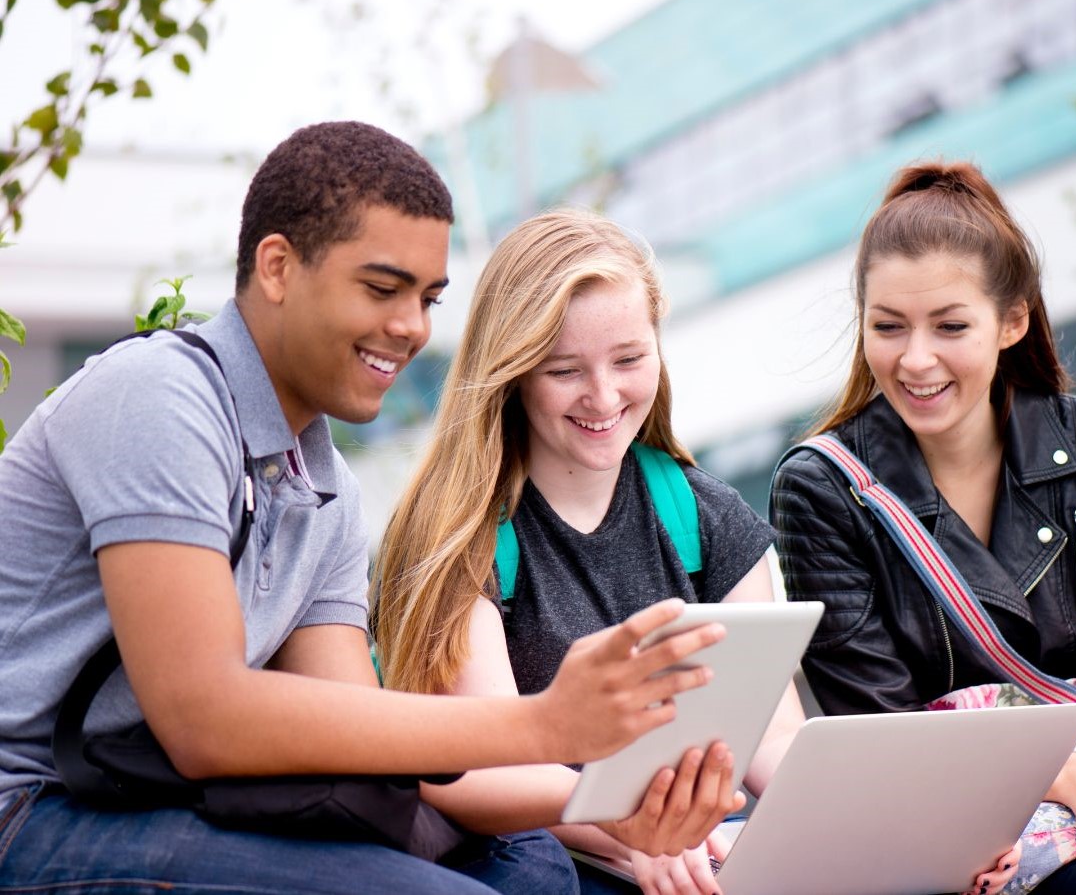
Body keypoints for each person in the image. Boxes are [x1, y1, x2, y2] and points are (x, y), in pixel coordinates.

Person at [0, 122, 735, 894]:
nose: (413, 327)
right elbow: (203, 719)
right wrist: (549, 723)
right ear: (278, 267)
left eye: (427, 298)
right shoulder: (159, 397)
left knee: (532, 869)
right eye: (383, 290)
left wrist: (615, 801)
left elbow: (351, 733)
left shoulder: (323, 486)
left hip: (162, 801)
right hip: (34, 805)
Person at [372, 208, 1019, 895]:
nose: (603, 395)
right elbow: (473, 772)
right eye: (564, 370)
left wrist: (908, 829)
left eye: (628, 360)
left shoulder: (703, 516)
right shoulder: (460, 533)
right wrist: (630, 829)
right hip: (520, 866)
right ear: (513, 372)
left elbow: (769, 739)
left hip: (677, 853)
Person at [771, 160, 1076, 894]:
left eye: (950, 326)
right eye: (888, 327)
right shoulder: (822, 487)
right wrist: (1064, 777)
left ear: (1012, 320)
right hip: (958, 841)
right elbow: (880, 729)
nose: (916, 360)